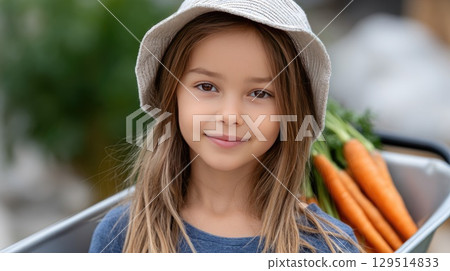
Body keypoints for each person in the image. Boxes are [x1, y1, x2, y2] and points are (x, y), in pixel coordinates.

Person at [89, 0, 361, 253]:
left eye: (260, 93)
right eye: (206, 87)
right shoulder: (122, 234)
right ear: (172, 97)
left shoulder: (327, 248)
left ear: (291, 111)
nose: (230, 116)